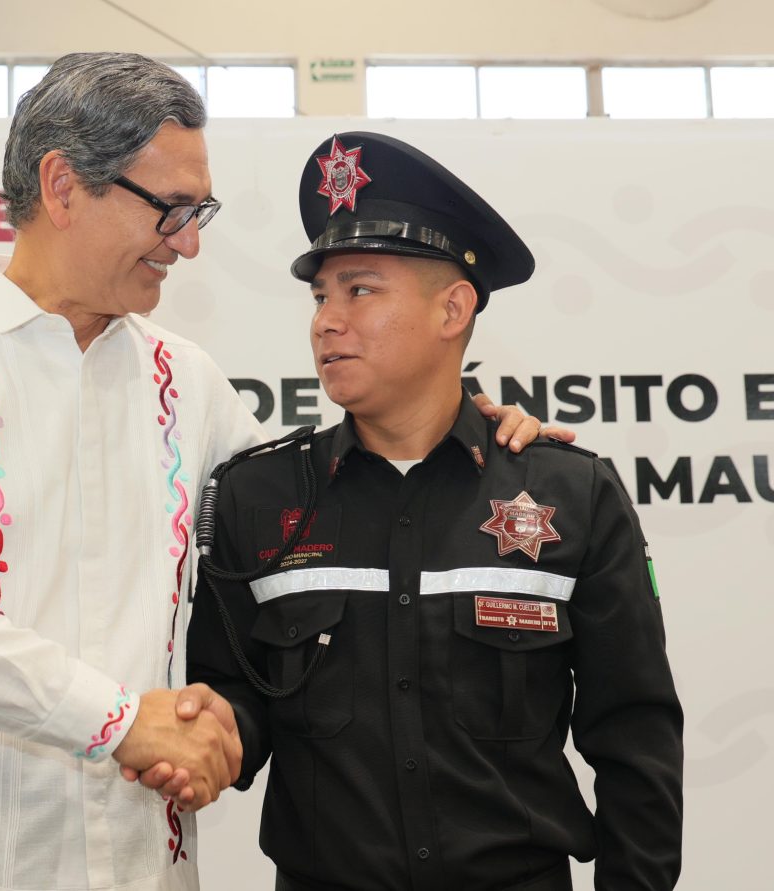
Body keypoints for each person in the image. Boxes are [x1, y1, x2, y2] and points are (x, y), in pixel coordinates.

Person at [0, 56, 550, 891]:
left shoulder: (185, 382)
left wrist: (460, 431)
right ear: (62, 187)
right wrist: (117, 720)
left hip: (139, 867)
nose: (190, 243)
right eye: (171, 209)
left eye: (200, 213)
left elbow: (331, 501)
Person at [183, 132, 683, 890]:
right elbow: (235, 695)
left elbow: (634, 735)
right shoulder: (261, 496)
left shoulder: (572, 492)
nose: (326, 320)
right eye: (320, 297)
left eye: (360, 290)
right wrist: (207, 740)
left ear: (453, 308)